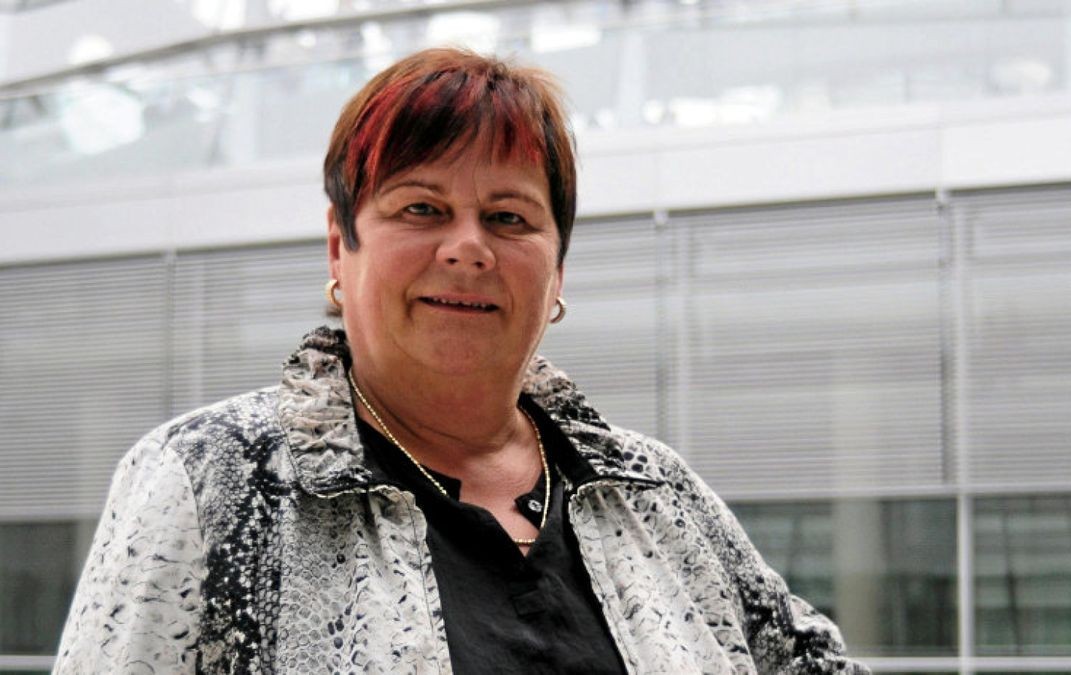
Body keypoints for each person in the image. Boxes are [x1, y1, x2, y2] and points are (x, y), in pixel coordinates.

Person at [55, 48, 869, 674]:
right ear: (341, 248)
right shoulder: (210, 480)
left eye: (509, 217)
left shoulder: (653, 495)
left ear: (557, 272)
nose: (468, 247)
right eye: (422, 207)